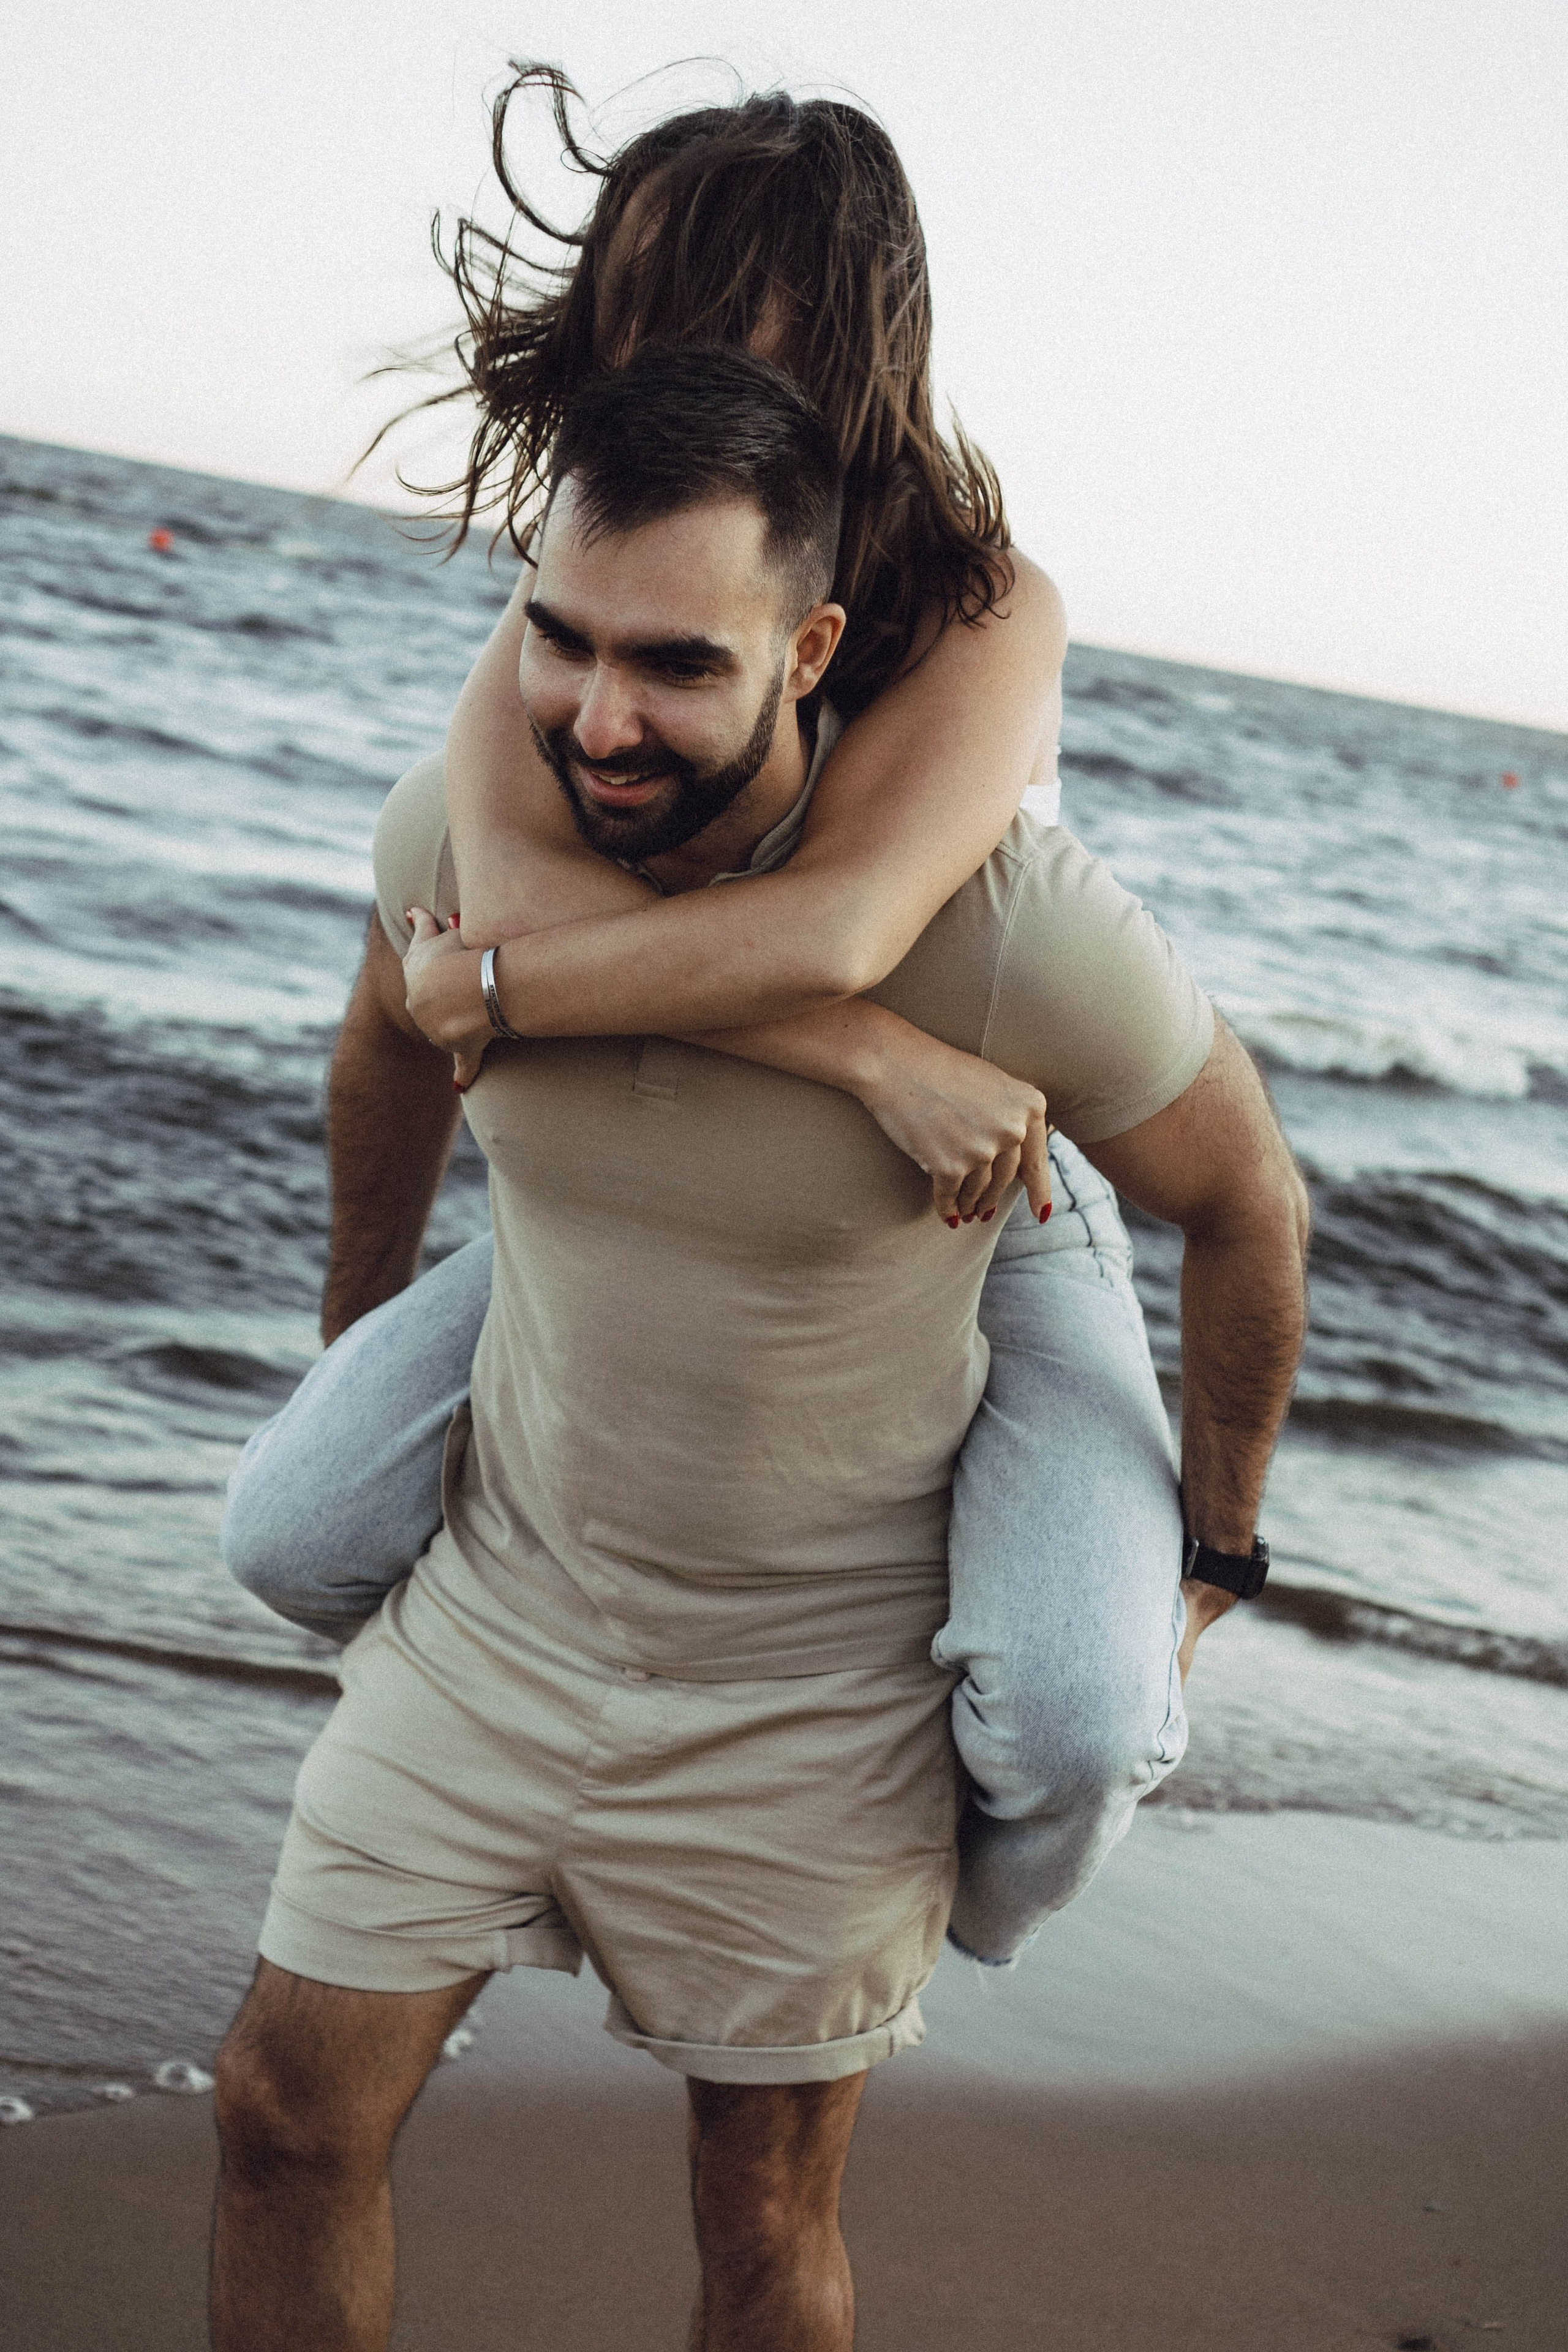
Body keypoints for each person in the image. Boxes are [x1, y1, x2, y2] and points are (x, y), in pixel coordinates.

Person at [211, 347, 1308, 2352]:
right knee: (282, 2117)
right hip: (497, 1624)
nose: (596, 717)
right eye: (559, 639)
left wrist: (1219, 1549)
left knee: (763, 2230)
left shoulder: (1007, 933)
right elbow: (386, 1044)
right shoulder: (462, 842)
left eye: (676, 666)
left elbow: (1248, 1202)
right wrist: (362, 1338)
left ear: (810, 652)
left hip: (816, 1708)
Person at [224, 69, 1271, 1967]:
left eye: (721, 320)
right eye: (639, 312)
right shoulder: (589, 594)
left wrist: (1218, 1551)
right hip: (686, 1163)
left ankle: (906, 1888)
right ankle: (523, 1767)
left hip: (983, 1188)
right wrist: (862, 1055)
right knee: (291, 1526)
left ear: (853, 357)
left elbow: (842, 923)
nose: (662, 363)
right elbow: (511, 927)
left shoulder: (979, 610)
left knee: (1079, 1714)